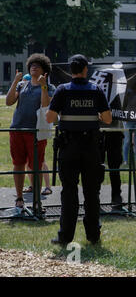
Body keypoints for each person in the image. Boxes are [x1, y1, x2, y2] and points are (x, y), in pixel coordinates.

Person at [46, 54, 112, 245]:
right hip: (91, 148)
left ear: (70, 70)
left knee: (69, 192)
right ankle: (93, 236)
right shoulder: (95, 90)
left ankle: (65, 237)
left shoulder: (62, 90)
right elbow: (107, 119)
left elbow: (50, 118)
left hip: (68, 148)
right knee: (92, 193)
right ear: (85, 70)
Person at [6, 53, 56, 211]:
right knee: (18, 164)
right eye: (32, 65)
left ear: (44, 70)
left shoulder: (49, 87)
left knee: (35, 166)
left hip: (36, 132)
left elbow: (45, 105)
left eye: (37, 65)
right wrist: (15, 81)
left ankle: (36, 201)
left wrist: (43, 86)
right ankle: (19, 199)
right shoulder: (22, 85)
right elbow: (8, 101)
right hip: (17, 129)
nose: (33, 66)